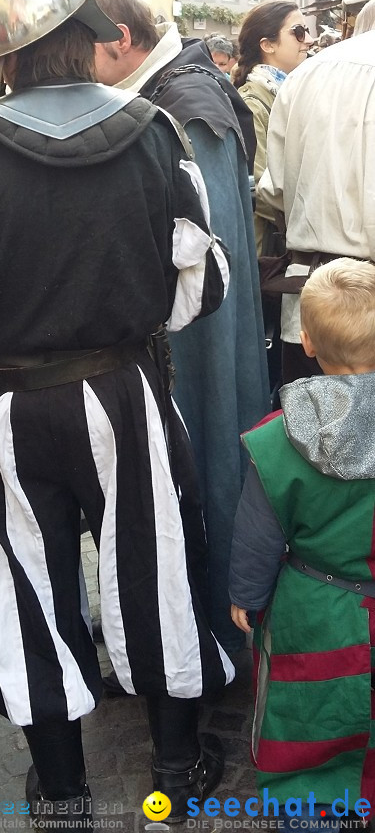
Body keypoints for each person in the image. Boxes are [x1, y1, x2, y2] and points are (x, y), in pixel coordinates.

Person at [0, 0, 235, 828]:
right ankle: (173, 765)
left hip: (7, 407)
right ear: (82, 35)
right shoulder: (155, 129)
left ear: (6, 60)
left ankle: (62, 790)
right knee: (155, 576)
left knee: (26, 590)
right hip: (125, 391)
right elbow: (205, 285)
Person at [90, 0, 269, 655]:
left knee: (207, 464)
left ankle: (209, 637)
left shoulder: (188, 108)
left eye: (88, 55)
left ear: (120, 42)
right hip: (183, 341)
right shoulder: (172, 96)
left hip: (196, 347)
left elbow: (203, 265)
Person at [229, 257, 375, 832]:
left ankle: (310, 814)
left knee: (307, 717)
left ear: (307, 341)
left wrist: (246, 594)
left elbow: (259, 533)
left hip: (314, 610)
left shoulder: (280, 438)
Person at [258, 31, 375, 385]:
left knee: (309, 432)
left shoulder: (307, 73)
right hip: (329, 303)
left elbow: (273, 191)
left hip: (312, 308)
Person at [234, 1, 313, 258]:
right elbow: (261, 189)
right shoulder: (253, 103)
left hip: (282, 241)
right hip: (266, 249)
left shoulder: (284, 93)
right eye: (298, 32)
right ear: (267, 45)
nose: (309, 40)